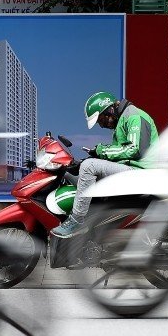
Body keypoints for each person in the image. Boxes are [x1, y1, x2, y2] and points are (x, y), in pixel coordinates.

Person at [51, 91, 158, 238]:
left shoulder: (134, 116)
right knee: (85, 168)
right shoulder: (122, 121)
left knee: (89, 167)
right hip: (133, 170)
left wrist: (101, 151)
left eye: (101, 120)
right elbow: (119, 155)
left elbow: (134, 150)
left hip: (142, 172)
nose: (101, 125)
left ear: (109, 110)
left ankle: (77, 220)